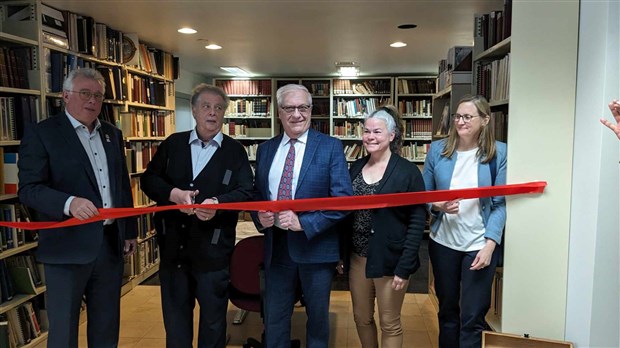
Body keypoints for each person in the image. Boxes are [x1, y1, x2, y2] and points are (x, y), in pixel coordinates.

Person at [17, 68, 138, 348]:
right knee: (64, 330)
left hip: (109, 246)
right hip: (66, 247)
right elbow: (29, 190)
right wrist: (68, 203)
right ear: (66, 95)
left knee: (107, 325)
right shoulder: (43, 133)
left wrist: (129, 230)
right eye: (85, 93)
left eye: (98, 95)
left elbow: (122, 184)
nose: (92, 101)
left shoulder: (112, 134)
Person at [140, 83, 253, 348]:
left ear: (224, 113)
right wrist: (172, 194)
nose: (212, 113)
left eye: (218, 108)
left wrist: (218, 203)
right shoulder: (173, 145)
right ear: (194, 110)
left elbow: (247, 192)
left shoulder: (235, 151)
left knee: (213, 323)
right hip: (173, 253)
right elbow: (148, 180)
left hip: (214, 254)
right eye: (206, 106)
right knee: (176, 323)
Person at [253, 84, 353, 348]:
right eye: (289, 108)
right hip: (277, 249)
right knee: (274, 319)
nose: (297, 114)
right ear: (279, 112)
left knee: (317, 321)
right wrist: (258, 216)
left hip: (316, 249)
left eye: (303, 107)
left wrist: (304, 223)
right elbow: (257, 195)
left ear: (311, 110)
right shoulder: (265, 150)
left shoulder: (330, 147)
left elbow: (344, 201)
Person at [422, 95, 507, 348]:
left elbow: (500, 203)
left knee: (472, 317)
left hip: (479, 246)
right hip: (443, 244)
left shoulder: (500, 153)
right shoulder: (437, 150)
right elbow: (425, 194)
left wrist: (490, 245)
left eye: (467, 116)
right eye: (457, 116)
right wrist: (436, 206)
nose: (460, 121)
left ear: (485, 119)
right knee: (447, 312)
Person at [340, 105, 427, 348]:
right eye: (366, 131)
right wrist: (341, 253)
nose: (370, 137)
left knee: (390, 321)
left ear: (391, 135)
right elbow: (344, 214)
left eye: (377, 132)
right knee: (361, 317)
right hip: (358, 258)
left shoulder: (408, 172)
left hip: (391, 259)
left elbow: (417, 220)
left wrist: (405, 266)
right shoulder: (355, 168)